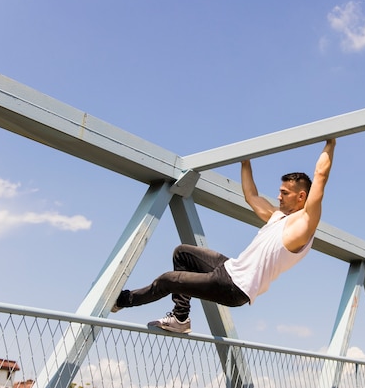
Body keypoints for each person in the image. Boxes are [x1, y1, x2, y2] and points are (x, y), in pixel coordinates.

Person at [111, 139, 336, 333]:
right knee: (182, 254)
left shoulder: (304, 225)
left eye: (285, 193)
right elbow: (251, 195)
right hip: (230, 269)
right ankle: (180, 318)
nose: (278, 197)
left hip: (235, 288)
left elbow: (321, 175)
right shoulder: (277, 217)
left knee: (168, 280)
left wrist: (330, 141)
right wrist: (245, 161)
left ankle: (121, 300)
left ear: (301, 196)